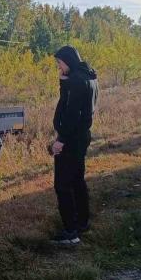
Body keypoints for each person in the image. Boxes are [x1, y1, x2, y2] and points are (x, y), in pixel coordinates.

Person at [50, 45, 98, 246]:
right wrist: (63, 84)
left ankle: (71, 231)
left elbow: (71, 113)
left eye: (60, 63)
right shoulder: (88, 77)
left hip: (72, 138)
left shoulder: (77, 82)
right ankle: (82, 222)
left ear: (67, 60)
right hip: (81, 136)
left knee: (62, 185)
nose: (59, 68)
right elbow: (71, 104)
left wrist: (61, 140)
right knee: (77, 180)